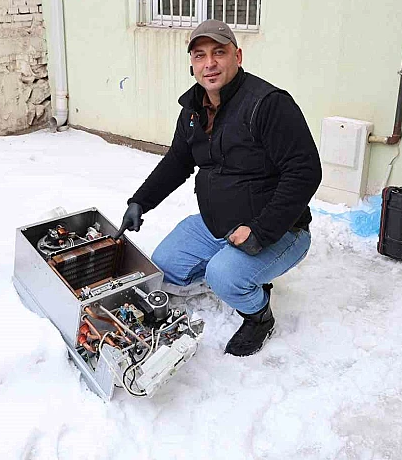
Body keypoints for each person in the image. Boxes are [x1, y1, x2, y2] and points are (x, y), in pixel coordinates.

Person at [114, 20, 322, 357]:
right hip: (218, 222)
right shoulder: (194, 111)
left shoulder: (268, 104)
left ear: (237, 56)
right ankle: (236, 274)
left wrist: (261, 231)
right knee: (165, 263)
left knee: (223, 274)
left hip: (281, 230)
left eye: (219, 53)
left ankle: (258, 314)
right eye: (200, 55)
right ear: (192, 64)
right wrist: (141, 201)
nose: (209, 63)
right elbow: (178, 161)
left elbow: (305, 172)